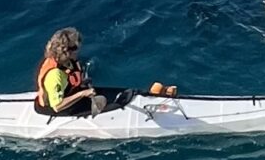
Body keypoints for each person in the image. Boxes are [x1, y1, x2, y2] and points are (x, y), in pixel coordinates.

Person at [34, 29, 179, 117]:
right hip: (62, 109)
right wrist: (82, 94)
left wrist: (83, 87)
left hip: (75, 95)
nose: (80, 50)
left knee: (128, 93)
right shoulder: (54, 75)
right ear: (67, 51)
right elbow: (57, 106)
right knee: (117, 105)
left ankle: (152, 96)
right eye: (77, 48)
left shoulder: (69, 60)